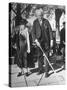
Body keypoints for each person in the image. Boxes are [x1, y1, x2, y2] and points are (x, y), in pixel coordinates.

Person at [32, 8, 53, 77]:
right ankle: (40, 70)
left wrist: (51, 40)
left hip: (46, 42)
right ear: (36, 15)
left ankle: (46, 72)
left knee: (46, 57)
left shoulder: (46, 21)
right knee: (39, 57)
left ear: (42, 15)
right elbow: (33, 33)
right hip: (39, 43)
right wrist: (35, 40)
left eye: (41, 15)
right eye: (38, 15)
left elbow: (50, 31)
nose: (39, 17)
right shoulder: (35, 22)